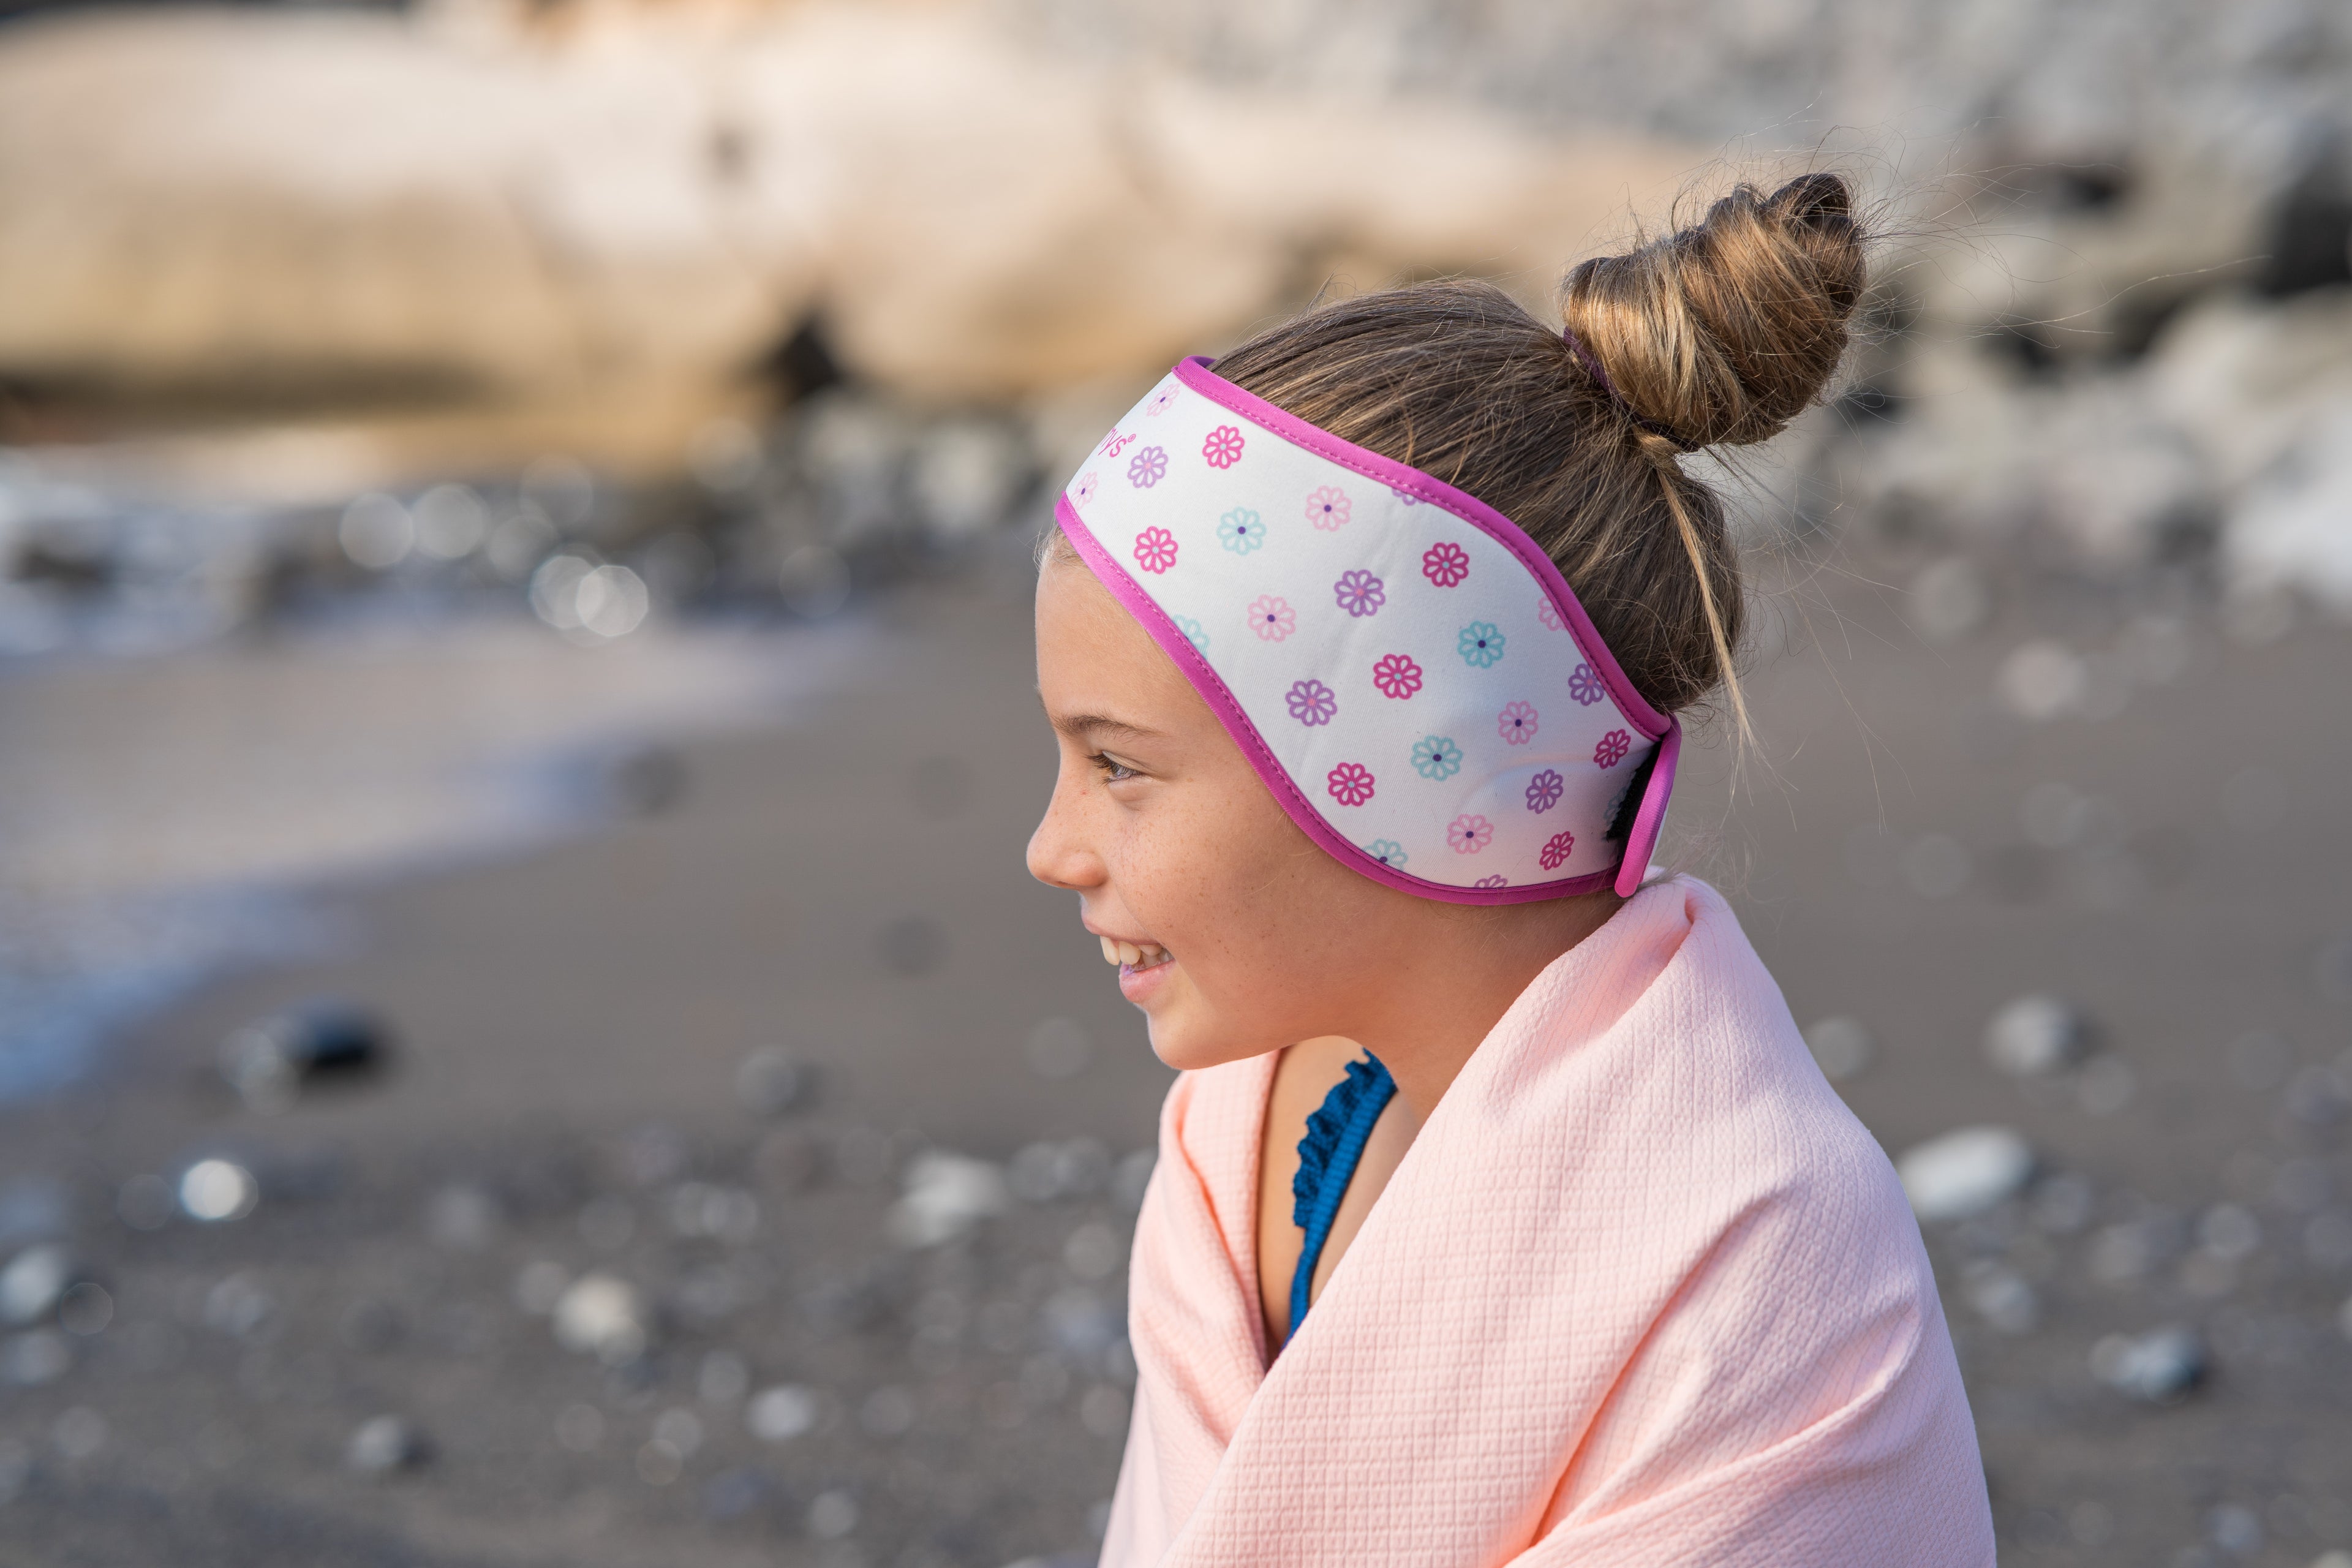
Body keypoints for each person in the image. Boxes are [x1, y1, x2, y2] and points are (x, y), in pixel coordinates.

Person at [1025, 172, 1994, 1566]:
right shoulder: (1237, 1135)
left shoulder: (1748, 1267)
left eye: (1116, 764)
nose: (1051, 847)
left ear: (1397, 769)